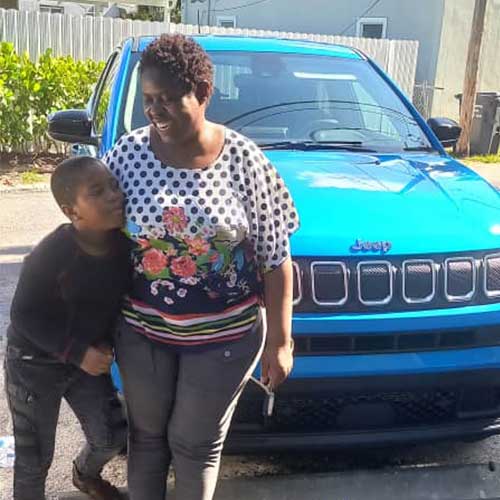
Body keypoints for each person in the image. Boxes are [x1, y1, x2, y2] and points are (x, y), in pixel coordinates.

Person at [105, 33, 300, 500]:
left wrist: (281, 343)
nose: (156, 111)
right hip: (142, 333)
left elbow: (276, 258)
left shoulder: (244, 160)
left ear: (203, 94)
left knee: (194, 444)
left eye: (170, 99)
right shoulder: (127, 157)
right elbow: (97, 242)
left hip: (224, 339)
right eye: (149, 100)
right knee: (147, 441)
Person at [4, 157, 131, 500]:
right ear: (71, 211)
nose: (114, 196)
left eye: (114, 186)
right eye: (98, 191)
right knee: (33, 459)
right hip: (32, 364)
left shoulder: (125, 249)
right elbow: (24, 315)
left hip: (85, 363)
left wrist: (103, 344)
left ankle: (85, 475)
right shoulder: (53, 253)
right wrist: (78, 353)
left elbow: (114, 304)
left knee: (112, 437)